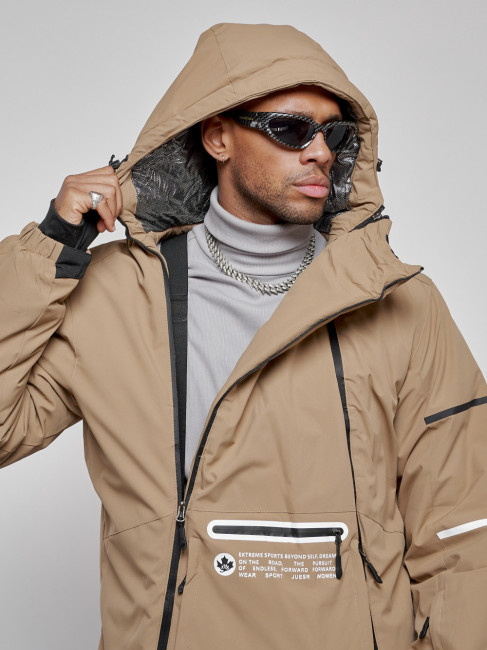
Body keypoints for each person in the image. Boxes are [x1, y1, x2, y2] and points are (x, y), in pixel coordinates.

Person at [1, 22, 486, 650]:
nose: (320, 152)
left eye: (334, 133)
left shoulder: (401, 303)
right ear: (218, 136)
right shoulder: (115, 294)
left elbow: (464, 529)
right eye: (291, 129)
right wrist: (50, 247)